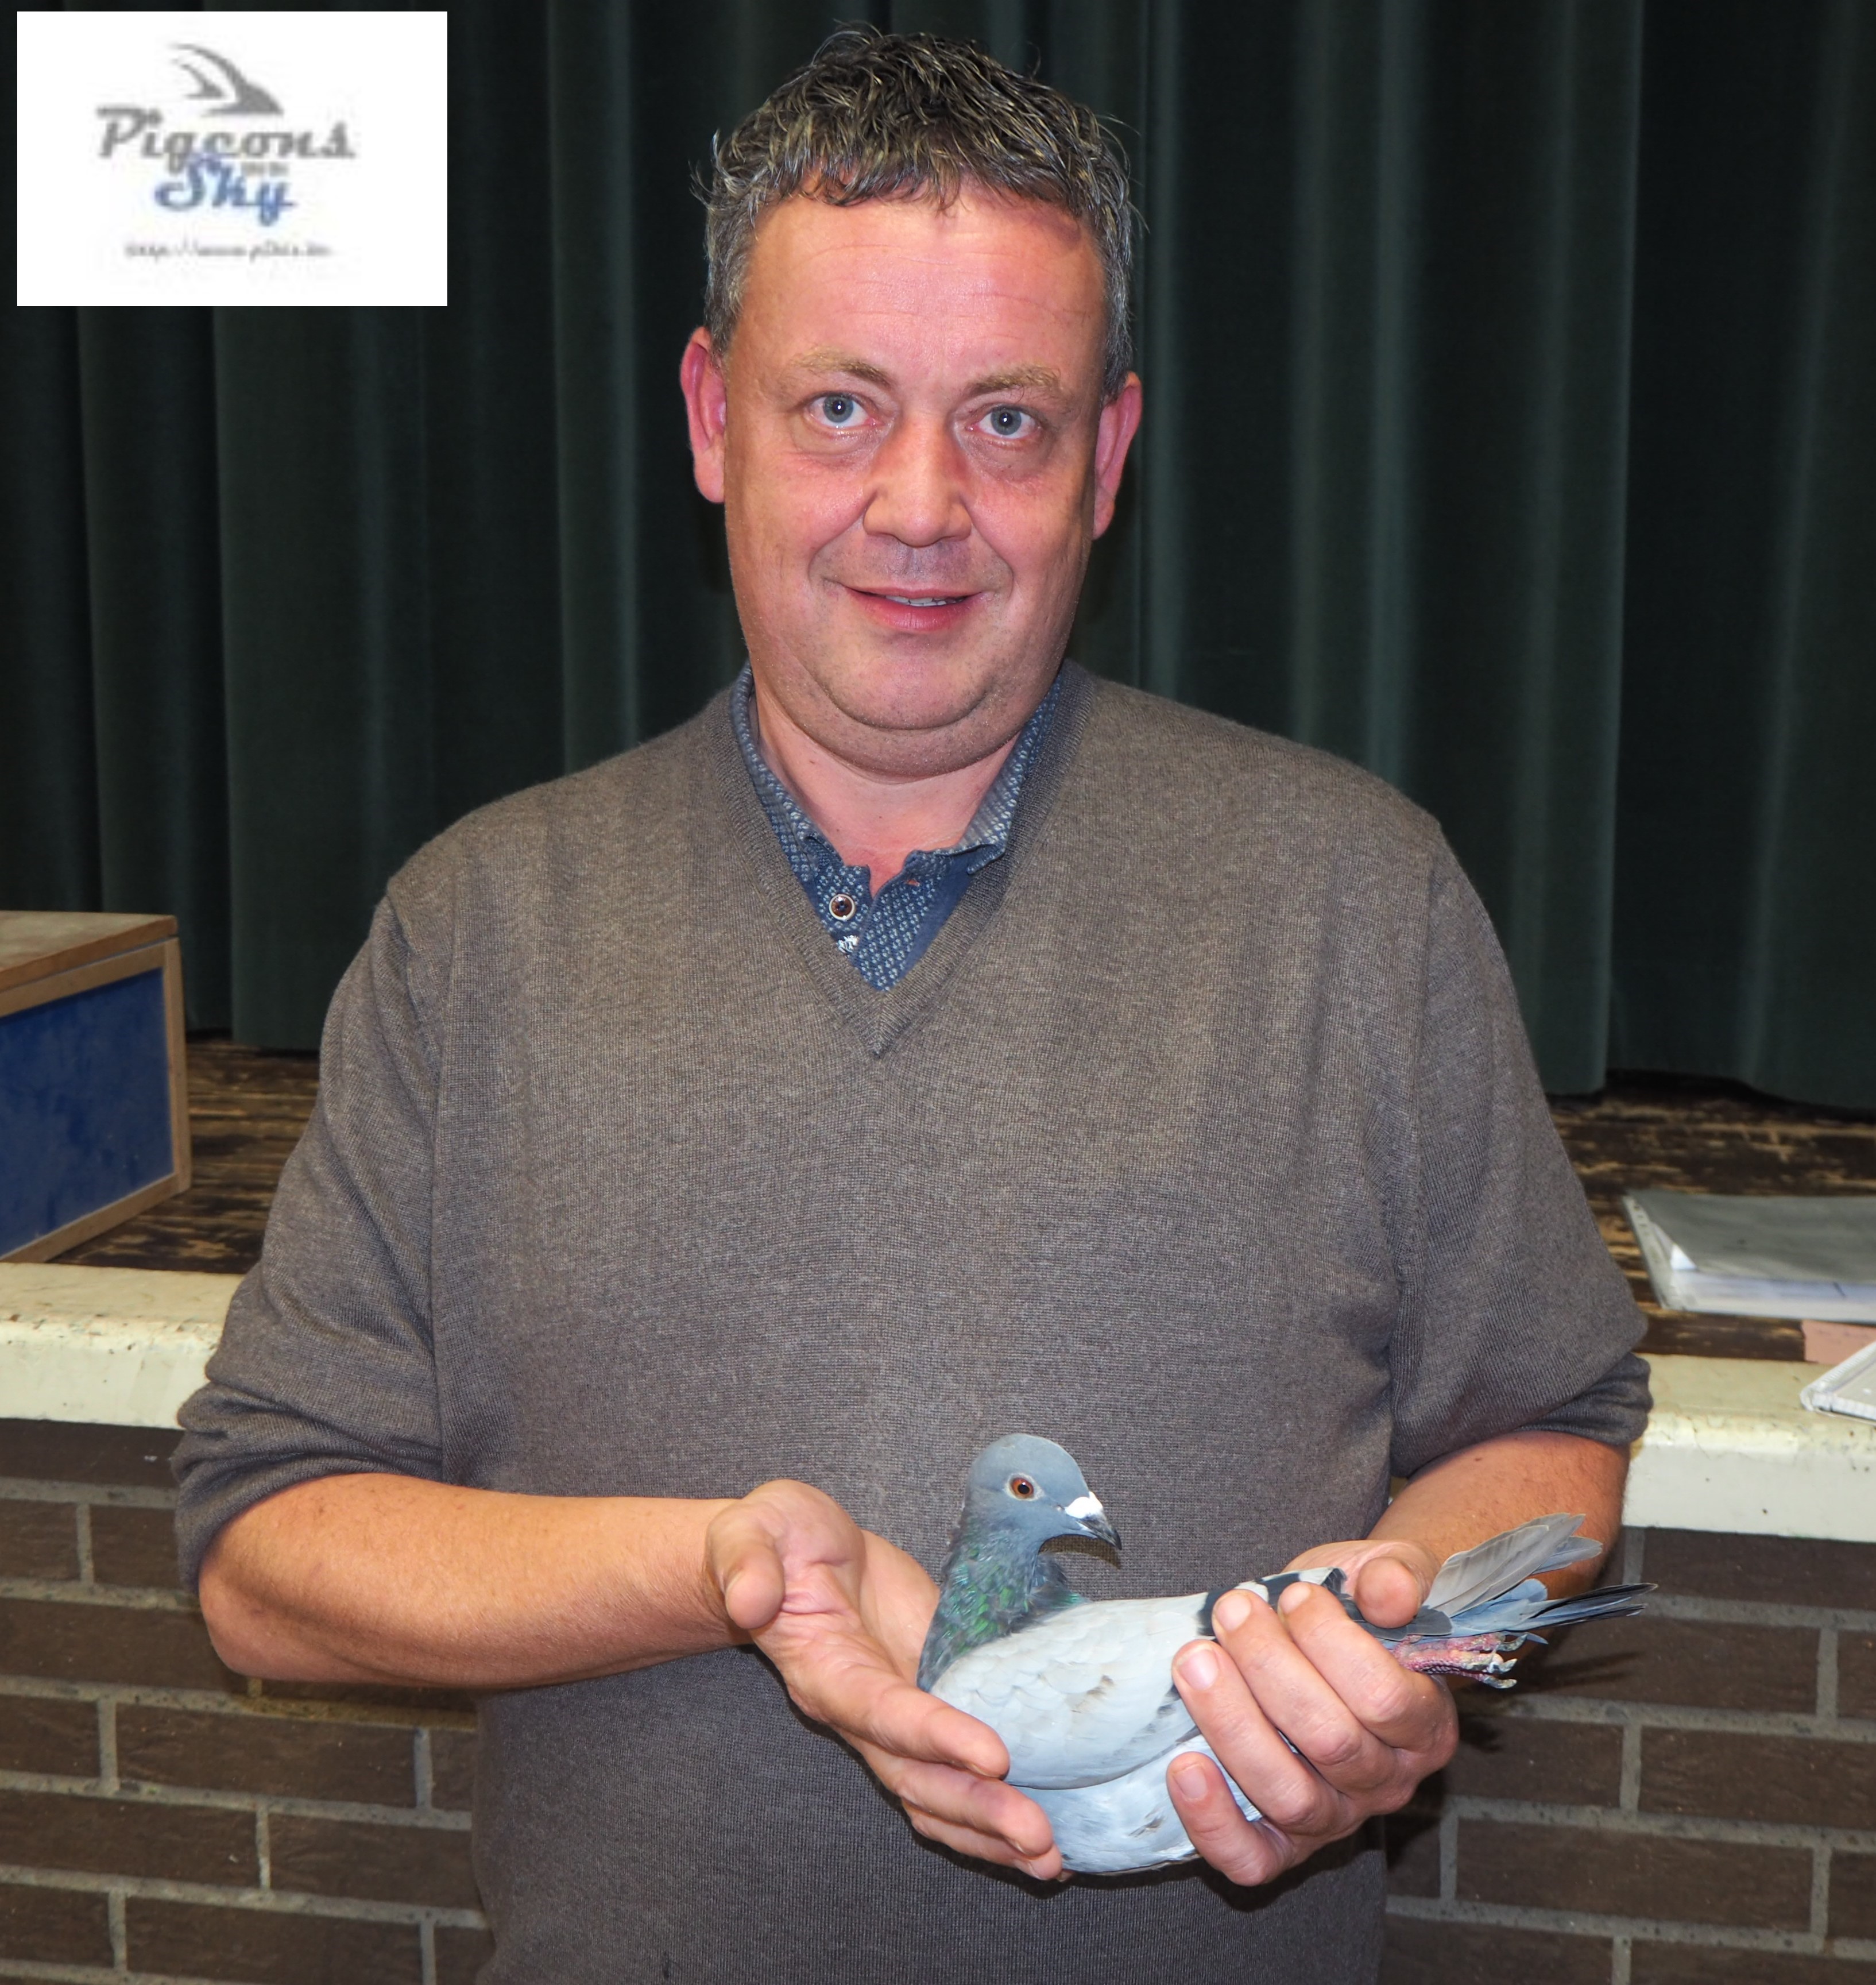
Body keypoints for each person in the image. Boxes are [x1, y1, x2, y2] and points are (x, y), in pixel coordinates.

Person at [175, 28, 1648, 1983]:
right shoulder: (477, 932)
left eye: (1007, 421)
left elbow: (1554, 1432)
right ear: (714, 420)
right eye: (841, 407)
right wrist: (727, 1570)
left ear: (1106, 458)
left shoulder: (1353, 901)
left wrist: (1393, 1647)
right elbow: (265, 1551)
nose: (921, 503)